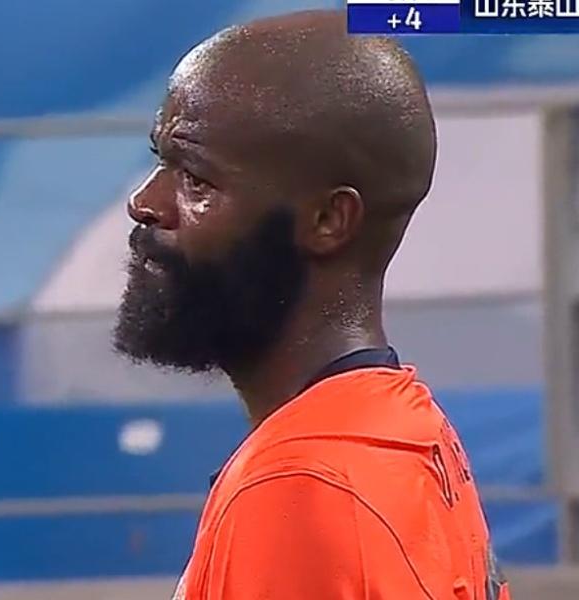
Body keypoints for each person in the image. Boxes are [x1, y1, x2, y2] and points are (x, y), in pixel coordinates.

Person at [113, 9, 511, 600]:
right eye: (160, 161)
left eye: (196, 178)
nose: (145, 202)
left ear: (327, 220)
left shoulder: (301, 487)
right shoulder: (408, 430)